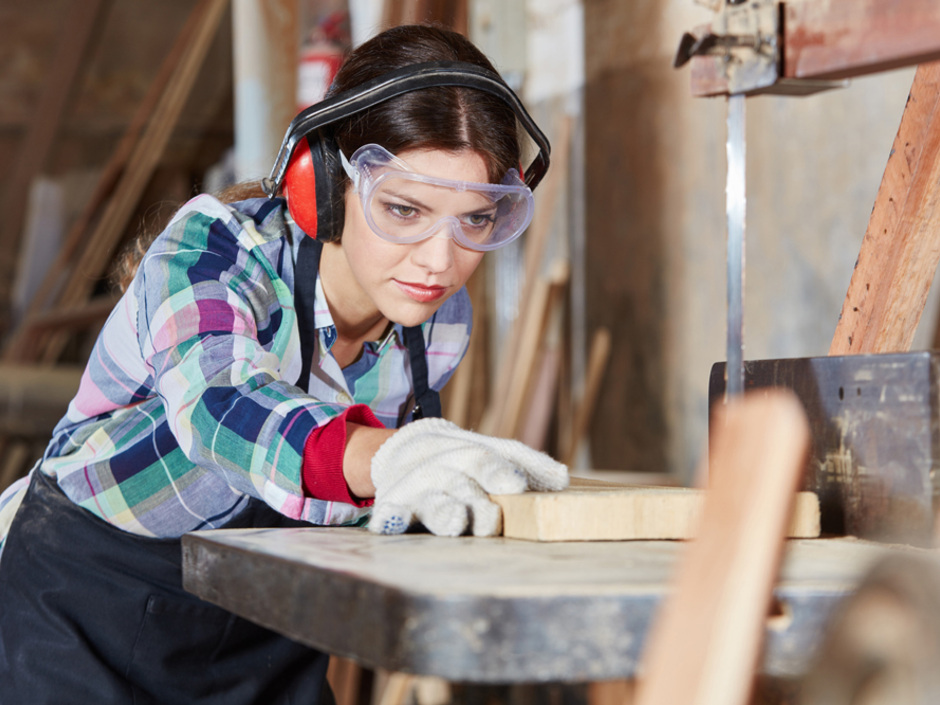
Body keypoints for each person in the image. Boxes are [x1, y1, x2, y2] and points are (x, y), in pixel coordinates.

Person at [0, 23, 568, 705]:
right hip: (88, 601)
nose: (440, 261)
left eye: (475, 220)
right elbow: (221, 413)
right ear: (324, 183)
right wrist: (390, 456)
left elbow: (345, 506)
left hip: (259, 625)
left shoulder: (439, 324)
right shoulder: (212, 250)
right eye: (403, 209)